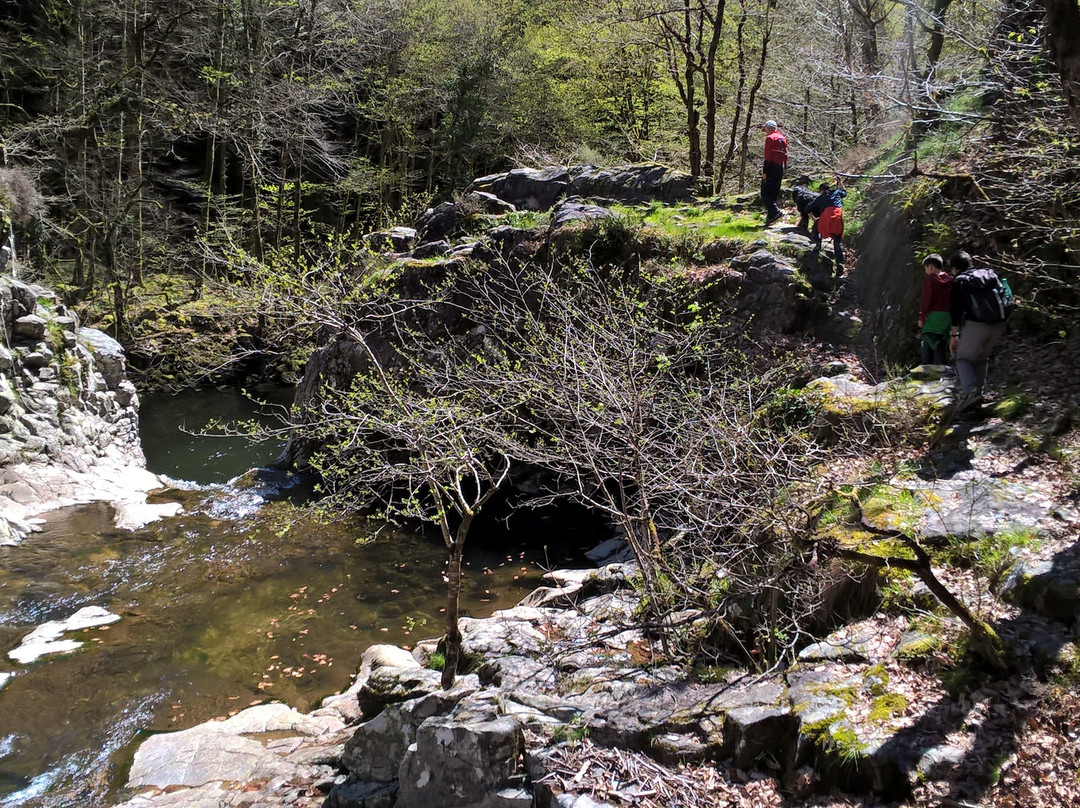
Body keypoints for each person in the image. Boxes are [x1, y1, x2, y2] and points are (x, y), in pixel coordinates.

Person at [948, 250, 1008, 410]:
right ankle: (978, 395)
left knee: (962, 358)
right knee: (981, 358)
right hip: (999, 322)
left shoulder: (959, 281)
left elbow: (956, 310)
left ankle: (971, 392)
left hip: (977, 323)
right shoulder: (989, 274)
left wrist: (954, 334)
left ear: (954, 269)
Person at [917, 253, 952, 365]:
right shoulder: (950, 279)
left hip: (934, 316)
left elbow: (926, 299)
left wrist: (922, 317)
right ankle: (942, 370)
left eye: (926, 268)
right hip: (947, 317)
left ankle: (926, 370)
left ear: (931, 266)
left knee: (928, 341)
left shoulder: (930, 279)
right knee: (941, 344)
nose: (926, 271)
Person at [809, 179, 846, 272]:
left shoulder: (820, 198)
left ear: (821, 190)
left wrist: (813, 218)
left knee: (816, 226)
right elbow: (844, 193)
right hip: (837, 217)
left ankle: (818, 244)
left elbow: (807, 208)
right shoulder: (837, 192)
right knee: (837, 240)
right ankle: (839, 263)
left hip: (826, 217)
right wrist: (840, 183)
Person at [760, 120, 787, 226]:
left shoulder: (770, 138)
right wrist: (784, 169)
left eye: (765, 128)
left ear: (768, 128)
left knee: (765, 193)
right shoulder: (783, 138)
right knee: (774, 192)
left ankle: (776, 212)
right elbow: (785, 155)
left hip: (772, 166)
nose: (765, 131)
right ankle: (771, 217)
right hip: (780, 167)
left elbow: (768, 157)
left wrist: (765, 172)